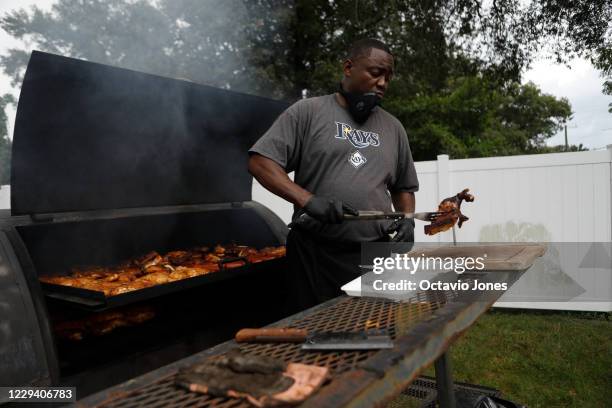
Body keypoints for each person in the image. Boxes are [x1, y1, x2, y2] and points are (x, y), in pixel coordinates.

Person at [248, 38, 419, 312]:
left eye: (388, 77)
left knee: (374, 335)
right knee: (313, 338)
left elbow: (403, 186)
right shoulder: (308, 112)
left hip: (373, 255)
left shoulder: (393, 128)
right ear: (349, 67)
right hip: (314, 255)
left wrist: (408, 220)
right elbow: (260, 162)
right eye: (376, 73)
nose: (383, 83)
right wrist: (307, 199)